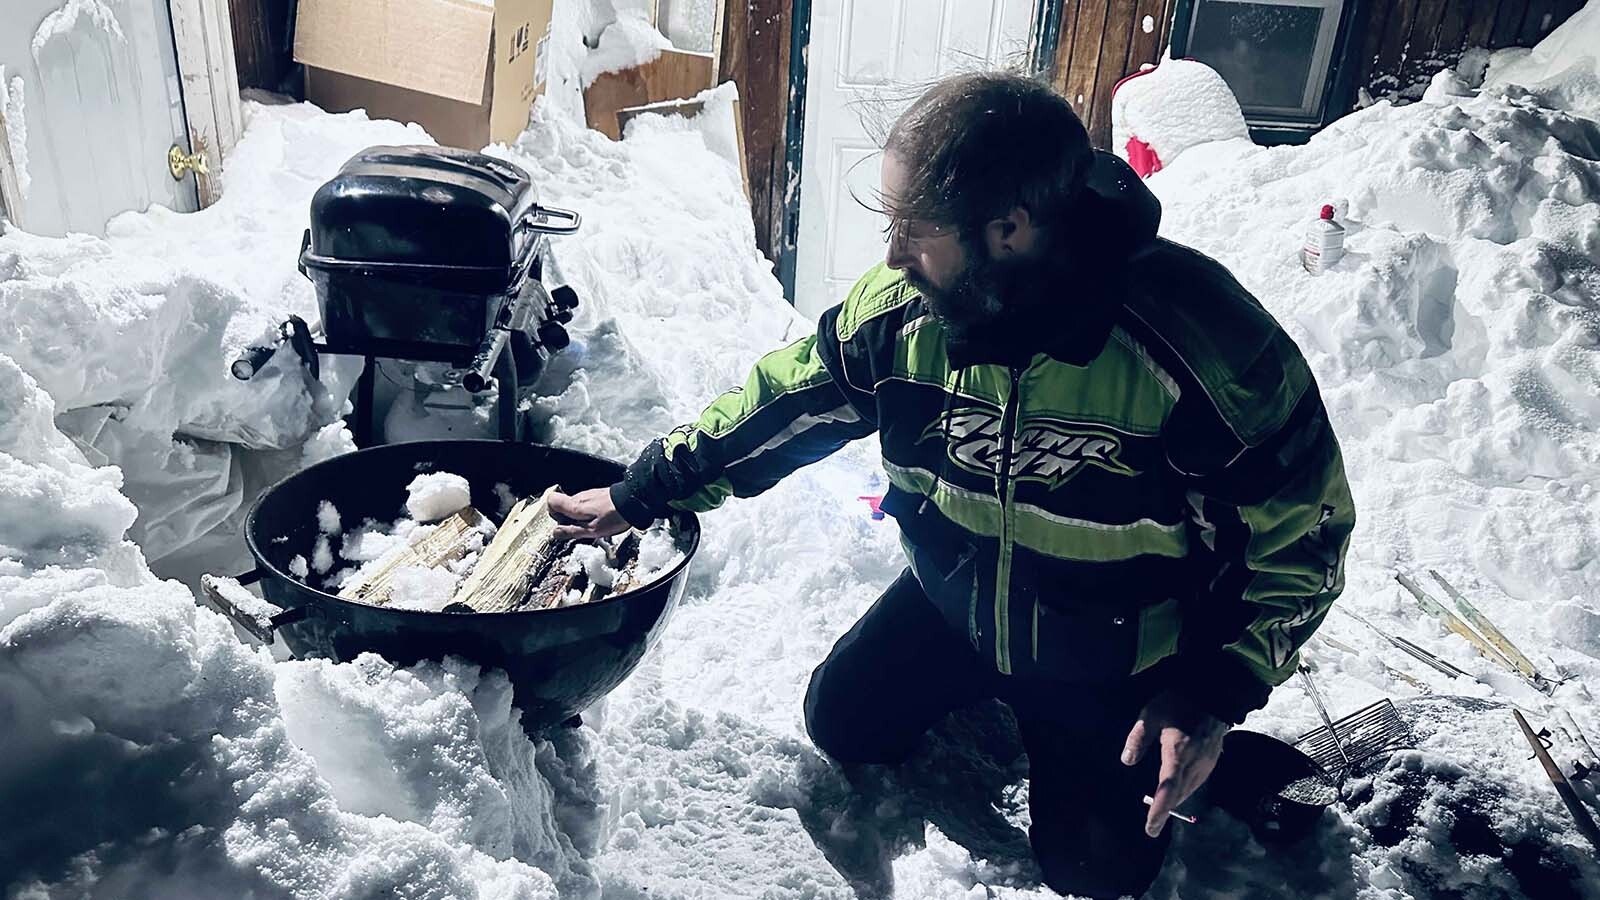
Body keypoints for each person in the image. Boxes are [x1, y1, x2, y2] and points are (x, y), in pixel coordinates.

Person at [548, 71, 1355, 899]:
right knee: (842, 720)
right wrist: (641, 492)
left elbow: (1304, 540)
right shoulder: (906, 312)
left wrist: (1212, 692)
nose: (892, 253)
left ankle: (1191, 756)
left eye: (914, 227)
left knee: (1094, 872)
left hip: (1117, 650)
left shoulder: (1199, 346)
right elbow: (788, 401)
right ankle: (1009, 711)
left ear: (1009, 229)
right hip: (959, 602)